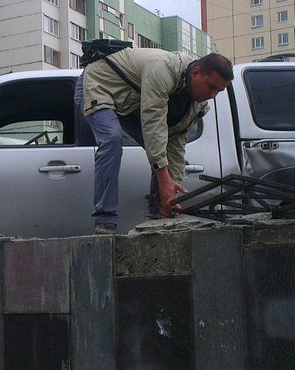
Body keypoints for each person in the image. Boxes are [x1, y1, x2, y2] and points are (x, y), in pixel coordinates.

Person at [75, 46, 233, 234]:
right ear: (196, 73)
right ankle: (105, 220)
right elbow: (153, 124)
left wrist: (170, 198)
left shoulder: (196, 103)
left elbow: (175, 144)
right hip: (99, 83)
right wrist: (164, 181)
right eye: (211, 87)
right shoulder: (162, 69)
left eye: (219, 91)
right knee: (112, 138)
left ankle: (159, 215)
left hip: (128, 101)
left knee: (163, 153)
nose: (213, 95)